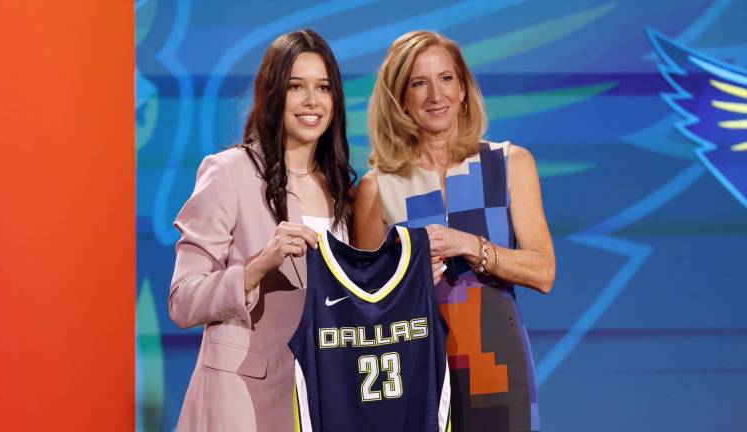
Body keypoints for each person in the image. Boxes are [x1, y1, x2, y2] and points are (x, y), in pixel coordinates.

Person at [354, 30, 555, 432]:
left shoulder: (509, 164)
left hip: (496, 369)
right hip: (414, 370)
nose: (436, 95)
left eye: (446, 78)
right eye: (419, 83)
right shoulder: (378, 187)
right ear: (401, 98)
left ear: (463, 89)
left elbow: (543, 272)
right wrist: (407, 285)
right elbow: (364, 307)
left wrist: (472, 246)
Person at [169, 29, 355, 431]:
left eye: (323, 87)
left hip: (316, 397)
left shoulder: (341, 189)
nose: (312, 101)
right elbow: (182, 300)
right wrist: (257, 266)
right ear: (273, 94)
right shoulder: (229, 172)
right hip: (241, 396)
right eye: (296, 87)